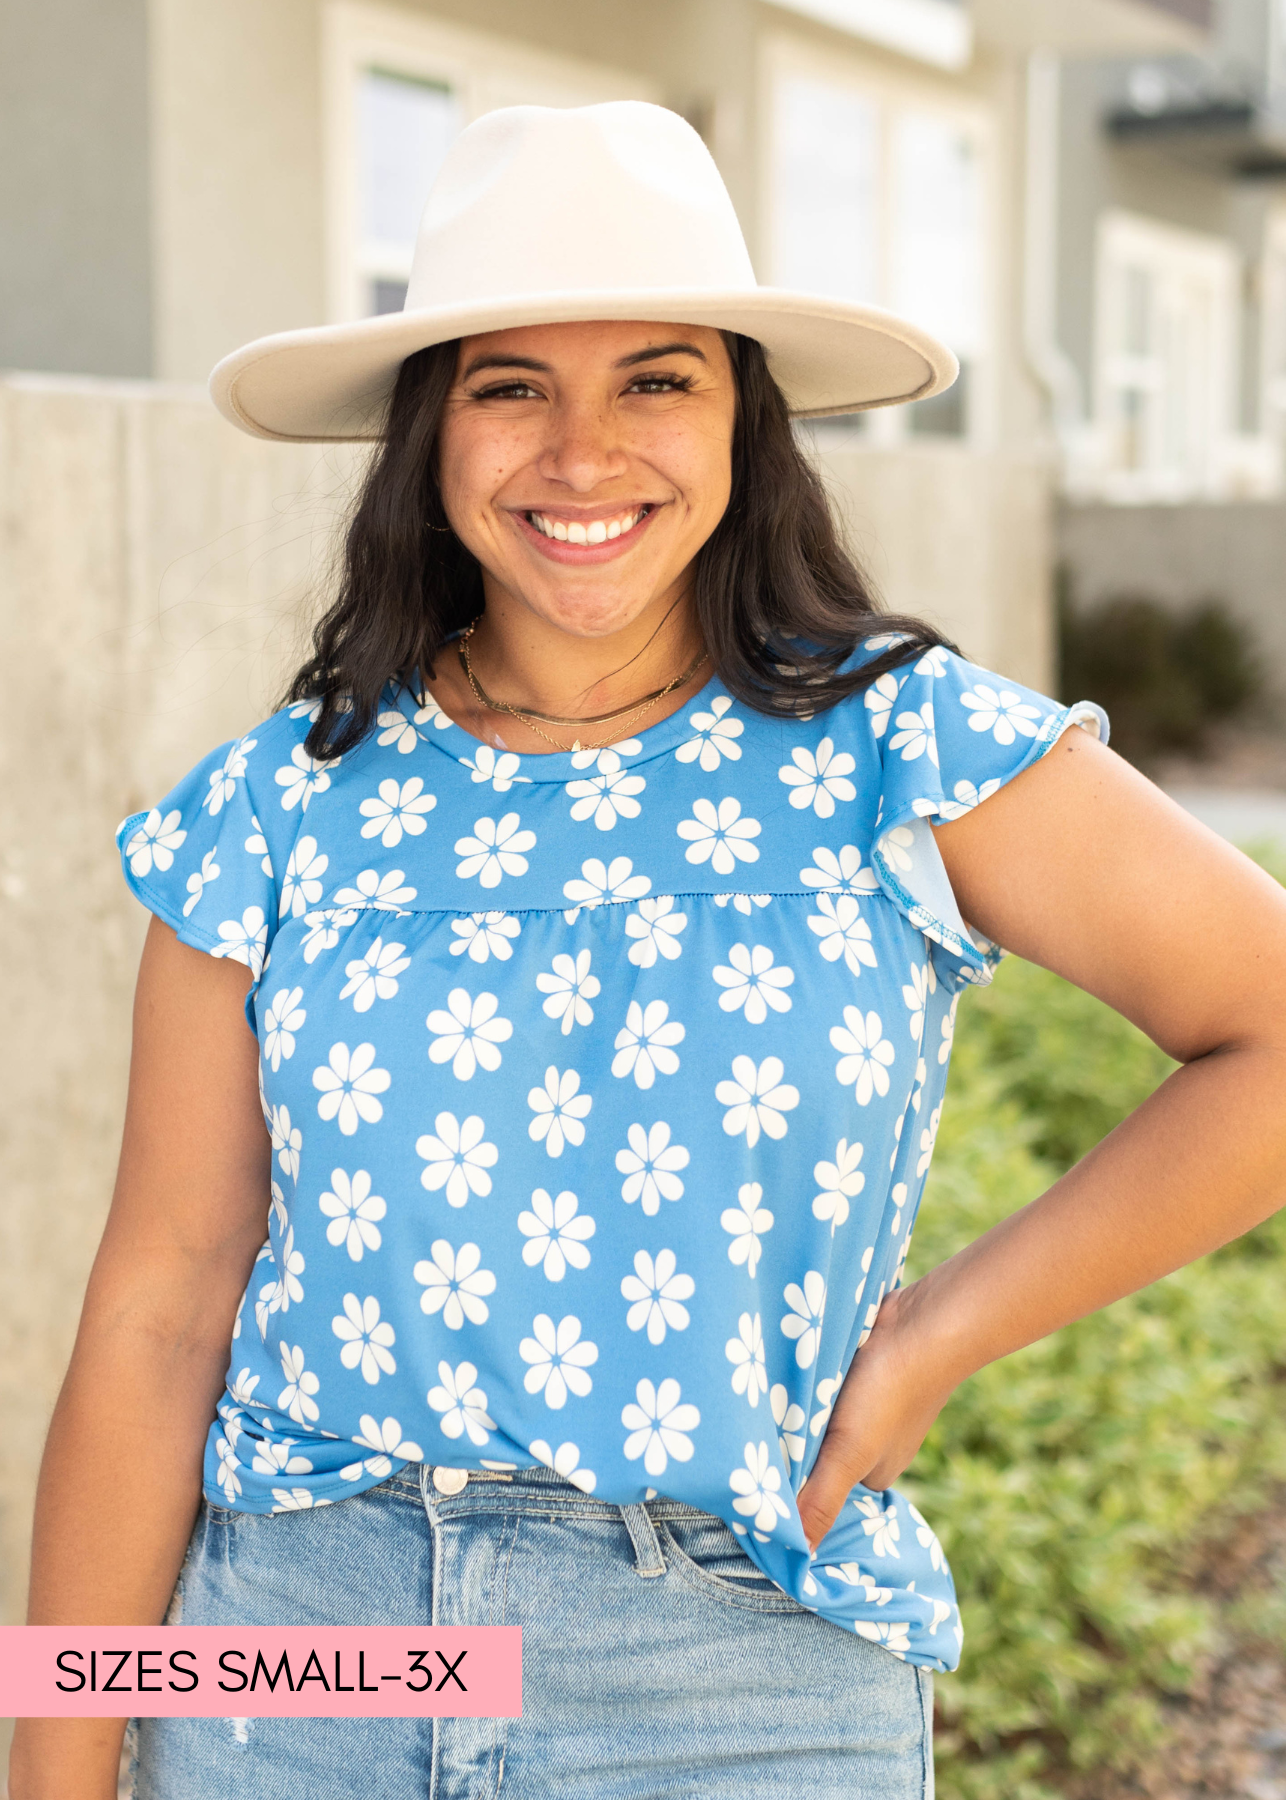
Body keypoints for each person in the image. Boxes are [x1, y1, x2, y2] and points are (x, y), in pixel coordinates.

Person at [12, 101, 1286, 1800]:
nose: (581, 450)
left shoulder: (898, 752)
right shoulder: (276, 809)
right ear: (429, 434)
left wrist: (935, 1340)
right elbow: (160, 1309)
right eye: (510, 383)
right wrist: (53, 1762)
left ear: (743, 423)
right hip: (290, 1652)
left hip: (737, 1664)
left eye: (655, 379)